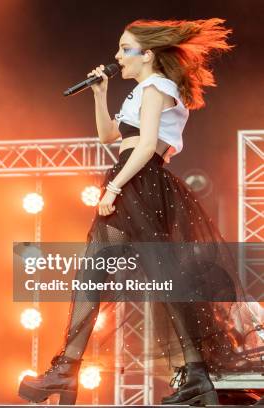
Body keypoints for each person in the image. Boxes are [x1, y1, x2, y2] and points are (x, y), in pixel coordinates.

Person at [18, 18, 263, 405]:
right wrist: (100, 94)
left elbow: (146, 145)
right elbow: (108, 137)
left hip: (138, 179)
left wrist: (114, 188)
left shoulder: (157, 86)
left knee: (105, 270)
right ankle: (190, 373)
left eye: (124, 49)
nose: (116, 56)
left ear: (147, 55)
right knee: (139, 274)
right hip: (136, 177)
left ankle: (67, 371)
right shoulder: (140, 92)